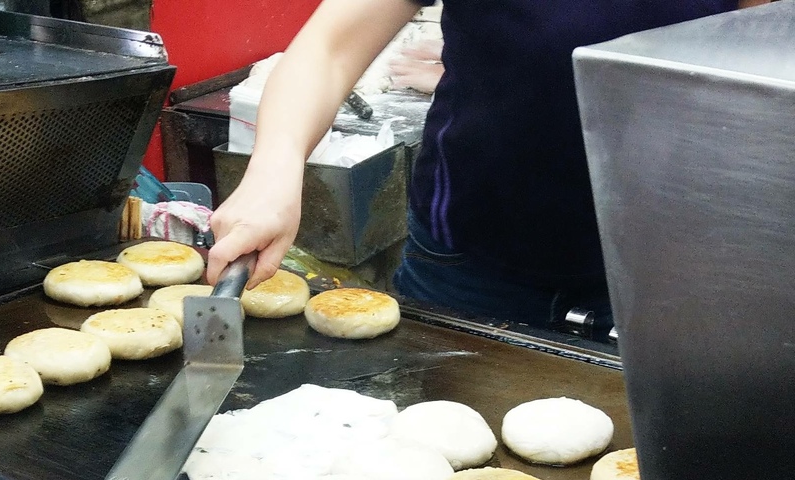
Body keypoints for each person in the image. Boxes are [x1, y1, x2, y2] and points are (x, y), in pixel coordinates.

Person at [206, 0, 761, 329]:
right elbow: (329, 48)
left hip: (674, 273)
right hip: (470, 260)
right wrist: (272, 171)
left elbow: (765, 60)